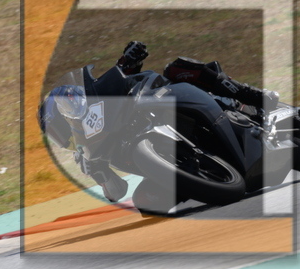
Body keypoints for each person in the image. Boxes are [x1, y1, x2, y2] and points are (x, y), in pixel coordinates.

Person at [38, 41, 279, 205]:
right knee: (145, 202)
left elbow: (123, 73)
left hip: (161, 102)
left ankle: (251, 96)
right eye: (57, 134)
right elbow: (116, 192)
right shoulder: (87, 157)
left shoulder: (101, 98)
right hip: (169, 165)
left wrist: (130, 57)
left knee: (176, 68)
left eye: (60, 126)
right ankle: (202, 184)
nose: (62, 135)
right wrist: (100, 175)